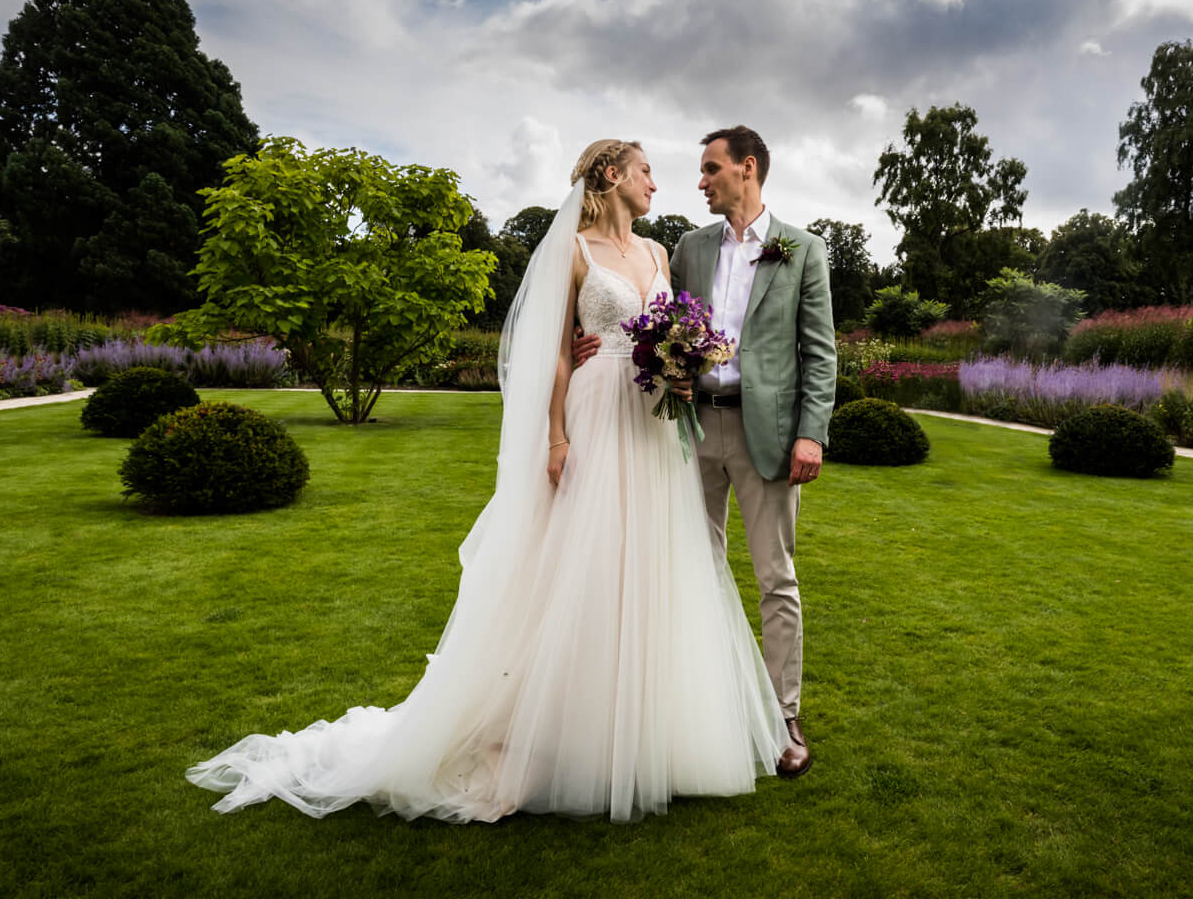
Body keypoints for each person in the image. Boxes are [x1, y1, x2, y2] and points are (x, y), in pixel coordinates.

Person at [185, 139, 786, 823]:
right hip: (594, 413)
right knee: (572, 569)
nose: (658, 182)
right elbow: (558, 355)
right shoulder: (575, 250)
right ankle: (528, 737)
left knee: (647, 570)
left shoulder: (656, 254)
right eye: (646, 170)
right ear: (613, 175)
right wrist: (556, 435)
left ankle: (644, 736)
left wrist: (682, 365)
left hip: (651, 424)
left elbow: (675, 328)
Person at [573, 126, 836, 778]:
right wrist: (587, 344)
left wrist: (811, 431)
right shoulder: (687, 248)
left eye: (711, 169)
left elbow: (820, 352)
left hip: (767, 435)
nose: (699, 181)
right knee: (693, 570)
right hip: (684, 431)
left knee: (776, 578)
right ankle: (708, 710)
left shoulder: (801, 250)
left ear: (747, 169)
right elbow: (647, 320)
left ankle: (783, 713)